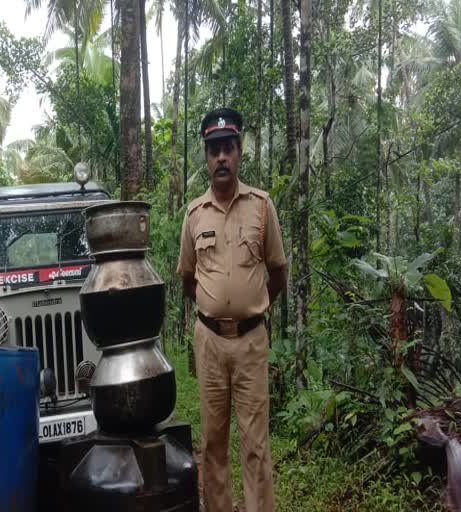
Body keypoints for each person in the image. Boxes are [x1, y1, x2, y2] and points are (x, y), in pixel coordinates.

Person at [178, 107, 287, 512]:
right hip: (209, 344)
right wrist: (215, 309)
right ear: (206, 158)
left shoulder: (262, 207)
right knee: (212, 442)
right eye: (213, 150)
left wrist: (250, 308)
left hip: (251, 344)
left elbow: (278, 272)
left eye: (228, 148)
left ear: (240, 153)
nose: (221, 157)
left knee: (256, 443)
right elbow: (189, 280)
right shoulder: (193, 215)